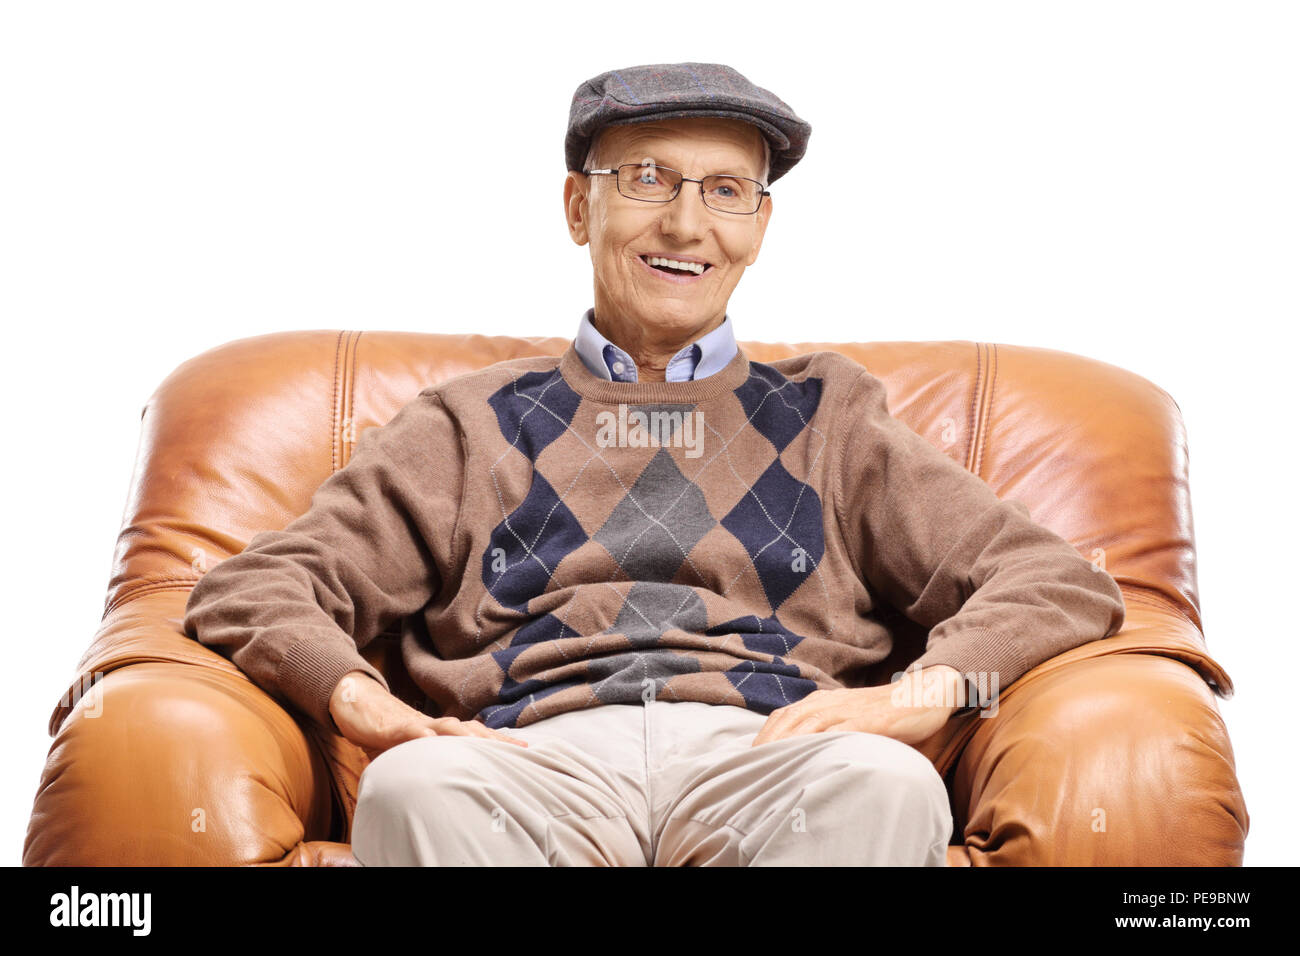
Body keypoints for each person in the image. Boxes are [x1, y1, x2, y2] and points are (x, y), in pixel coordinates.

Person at [183, 61, 1126, 866]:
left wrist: (918, 697)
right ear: (576, 205)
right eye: (647, 179)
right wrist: (363, 705)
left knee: (885, 783)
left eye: (726, 192)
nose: (686, 224)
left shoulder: (830, 415)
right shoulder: (469, 424)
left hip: (771, 753)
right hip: (530, 756)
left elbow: (1055, 582)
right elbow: (253, 588)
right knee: (414, 788)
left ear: (758, 229)